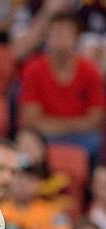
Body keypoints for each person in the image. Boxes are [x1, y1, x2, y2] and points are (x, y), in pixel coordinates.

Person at [19, 12, 105, 160]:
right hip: (45, 137)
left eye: (65, 35)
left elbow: (96, 120)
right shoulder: (34, 69)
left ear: (76, 38)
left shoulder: (90, 71)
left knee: (96, 141)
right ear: (47, 38)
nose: (61, 42)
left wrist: (52, 125)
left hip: (81, 138)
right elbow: (29, 120)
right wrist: (77, 124)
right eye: (56, 35)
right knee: (27, 141)